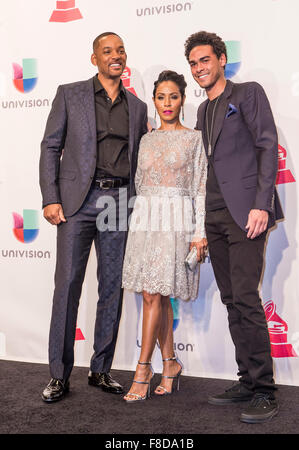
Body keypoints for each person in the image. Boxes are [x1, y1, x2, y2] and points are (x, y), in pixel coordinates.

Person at [39, 32, 148, 402]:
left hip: (119, 201)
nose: (115, 56)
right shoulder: (70, 93)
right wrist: (51, 197)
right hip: (76, 202)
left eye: (120, 50)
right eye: (107, 51)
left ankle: (100, 369)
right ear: (94, 59)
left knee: (111, 288)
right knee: (67, 286)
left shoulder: (137, 106)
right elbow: (51, 146)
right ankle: (58, 375)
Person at [185, 31, 284, 423]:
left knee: (245, 297)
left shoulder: (247, 94)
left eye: (205, 60)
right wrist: (202, 223)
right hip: (214, 217)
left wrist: (262, 204)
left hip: (246, 213)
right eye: (193, 63)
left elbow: (266, 145)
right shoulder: (202, 111)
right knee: (230, 300)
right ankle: (246, 380)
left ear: (222, 59)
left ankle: (264, 389)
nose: (199, 69)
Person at [122, 70, 207, 403]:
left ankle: (143, 368)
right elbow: (141, 185)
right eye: (161, 97)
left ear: (183, 99)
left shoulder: (194, 139)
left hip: (176, 222)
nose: (167, 103)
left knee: (154, 295)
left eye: (173, 96)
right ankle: (170, 363)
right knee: (153, 294)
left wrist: (199, 233)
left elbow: (201, 188)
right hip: (145, 220)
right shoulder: (146, 138)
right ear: (153, 101)